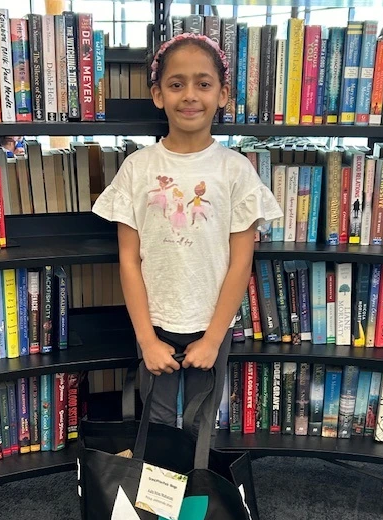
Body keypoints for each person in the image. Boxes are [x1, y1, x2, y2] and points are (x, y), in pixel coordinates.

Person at [92, 33, 282, 433]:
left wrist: (213, 338)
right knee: (156, 419)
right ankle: (159, 495)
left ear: (222, 94)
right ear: (158, 95)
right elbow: (128, 258)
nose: (190, 95)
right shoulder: (137, 169)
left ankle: (195, 494)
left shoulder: (236, 171)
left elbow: (240, 261)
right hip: (154, 320)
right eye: (177, 84)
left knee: (201, 421)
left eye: (203, 83)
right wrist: (146, 339)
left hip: (213, 323)